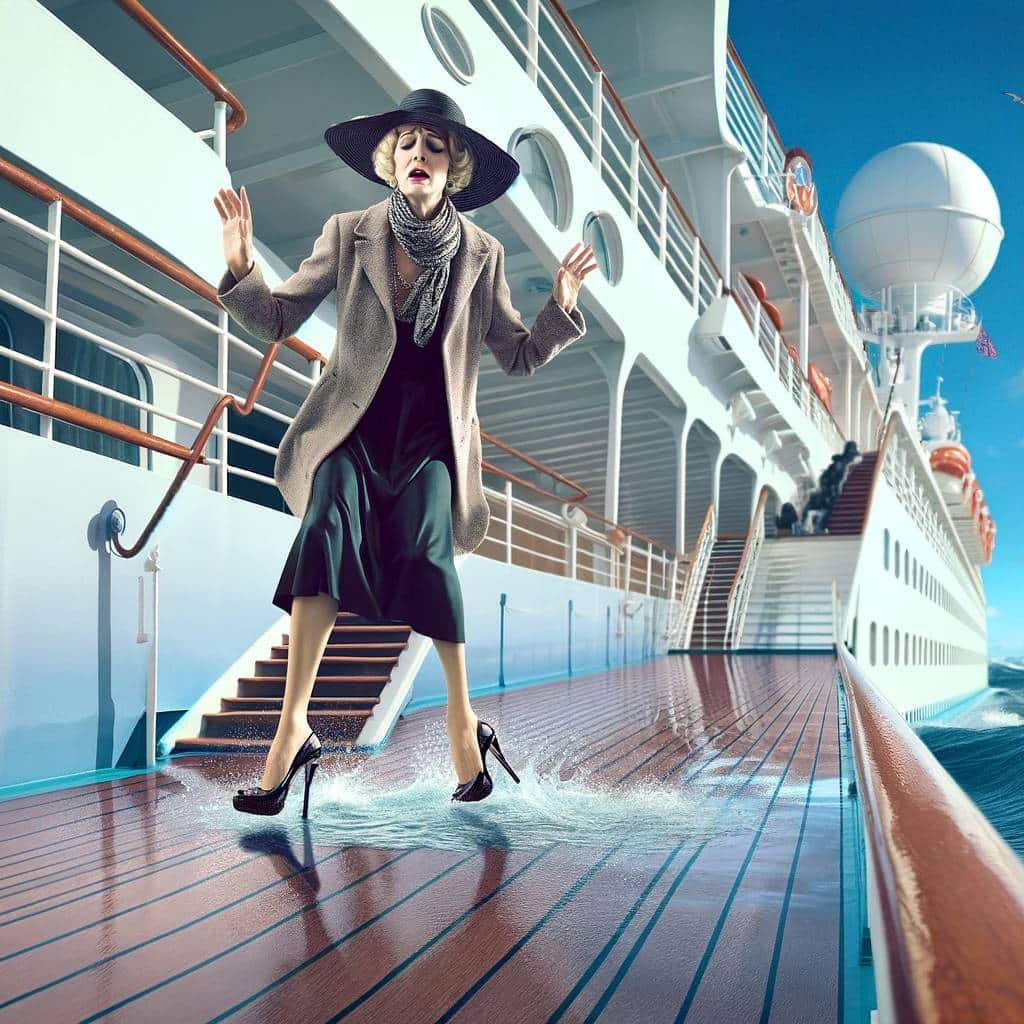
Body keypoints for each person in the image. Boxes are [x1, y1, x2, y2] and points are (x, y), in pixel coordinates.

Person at [213, 89, 597, 815]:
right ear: (392, 162)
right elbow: (278, 315)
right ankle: (291, 731)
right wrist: (240, 267)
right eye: (410, 144)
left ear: (452, 170)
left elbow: (516, 355)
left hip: (429, 444)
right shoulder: (349, 230)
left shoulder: (483, 255)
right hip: (351, 433)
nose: (421, 154)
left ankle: (463, 723)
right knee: (322, 531)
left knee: (427, 555)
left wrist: (563, 303)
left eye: (436, 147)